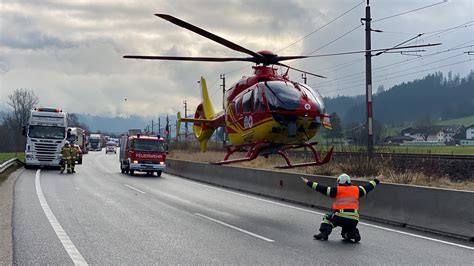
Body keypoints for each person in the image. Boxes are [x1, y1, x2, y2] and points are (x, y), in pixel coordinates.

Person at [301, 173, 381, 243]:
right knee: (345, 234)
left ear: (339, 182)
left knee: (327, 218)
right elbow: (369, 186)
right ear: (350, 182)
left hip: (340, 216)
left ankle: (324, 234)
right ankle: (354, 234)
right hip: (354, 219)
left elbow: (322, 189)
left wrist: (309, 183)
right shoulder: (357, 190)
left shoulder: (337, 190)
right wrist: (377, 180)